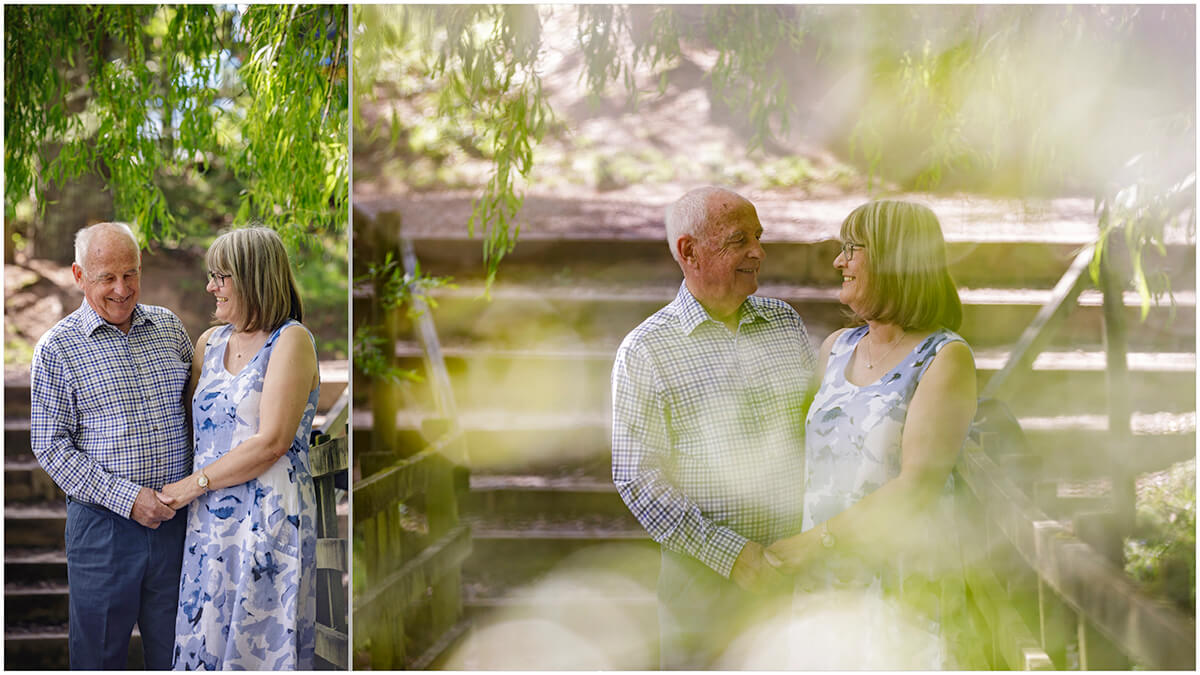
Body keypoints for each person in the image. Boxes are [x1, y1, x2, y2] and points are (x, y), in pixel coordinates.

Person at [764, 200, 977, 669]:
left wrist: (817, 542)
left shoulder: (944, 358)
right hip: (824, 586)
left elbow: (918, 484)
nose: (839, 261)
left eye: (851, 248)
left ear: (893, 258)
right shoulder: (835, 350)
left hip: (899, 589)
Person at [611, 186, 818, 668]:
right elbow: (637, 478)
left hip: (795, 577)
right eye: (739, 239)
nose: (758, 253)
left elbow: (815, 431)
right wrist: (735, 556)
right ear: (689, 251)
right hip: (701, 587)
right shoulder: (645, 351)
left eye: (759, 237)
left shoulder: (785, 322)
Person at [30, 222, 192, 669]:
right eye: (107, 278)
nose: (122, 289)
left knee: (180, 655)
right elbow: (50, 445)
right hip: (102, 531)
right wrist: (129, 499)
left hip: (177, 525)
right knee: (98, 657)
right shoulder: (57, 349)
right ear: (80, 277)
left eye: (131, 273)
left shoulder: (170, 330)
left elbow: (196, 416)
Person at [157, 226, 320, 670]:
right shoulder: (208, 344)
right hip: (208, 521)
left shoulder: (290, 340)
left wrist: (193, 484)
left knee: (259, 646)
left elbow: (271, 442)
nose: (211, 286)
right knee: (203, 639)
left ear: (253, 277)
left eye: (221, 276)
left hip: (268, 518)